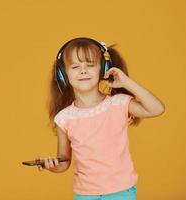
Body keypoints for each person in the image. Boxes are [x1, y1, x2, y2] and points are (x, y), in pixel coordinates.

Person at [35, 37, 165, 200]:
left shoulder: (118, 103)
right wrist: (51, 166)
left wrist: (126, 82)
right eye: (75, 67)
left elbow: (157, 109)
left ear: (103, 69)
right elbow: (64, 161)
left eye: (90, 65)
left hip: (121, 190)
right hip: (85, 194)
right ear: (63, 75)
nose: (83, 71)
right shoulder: (64, 118)